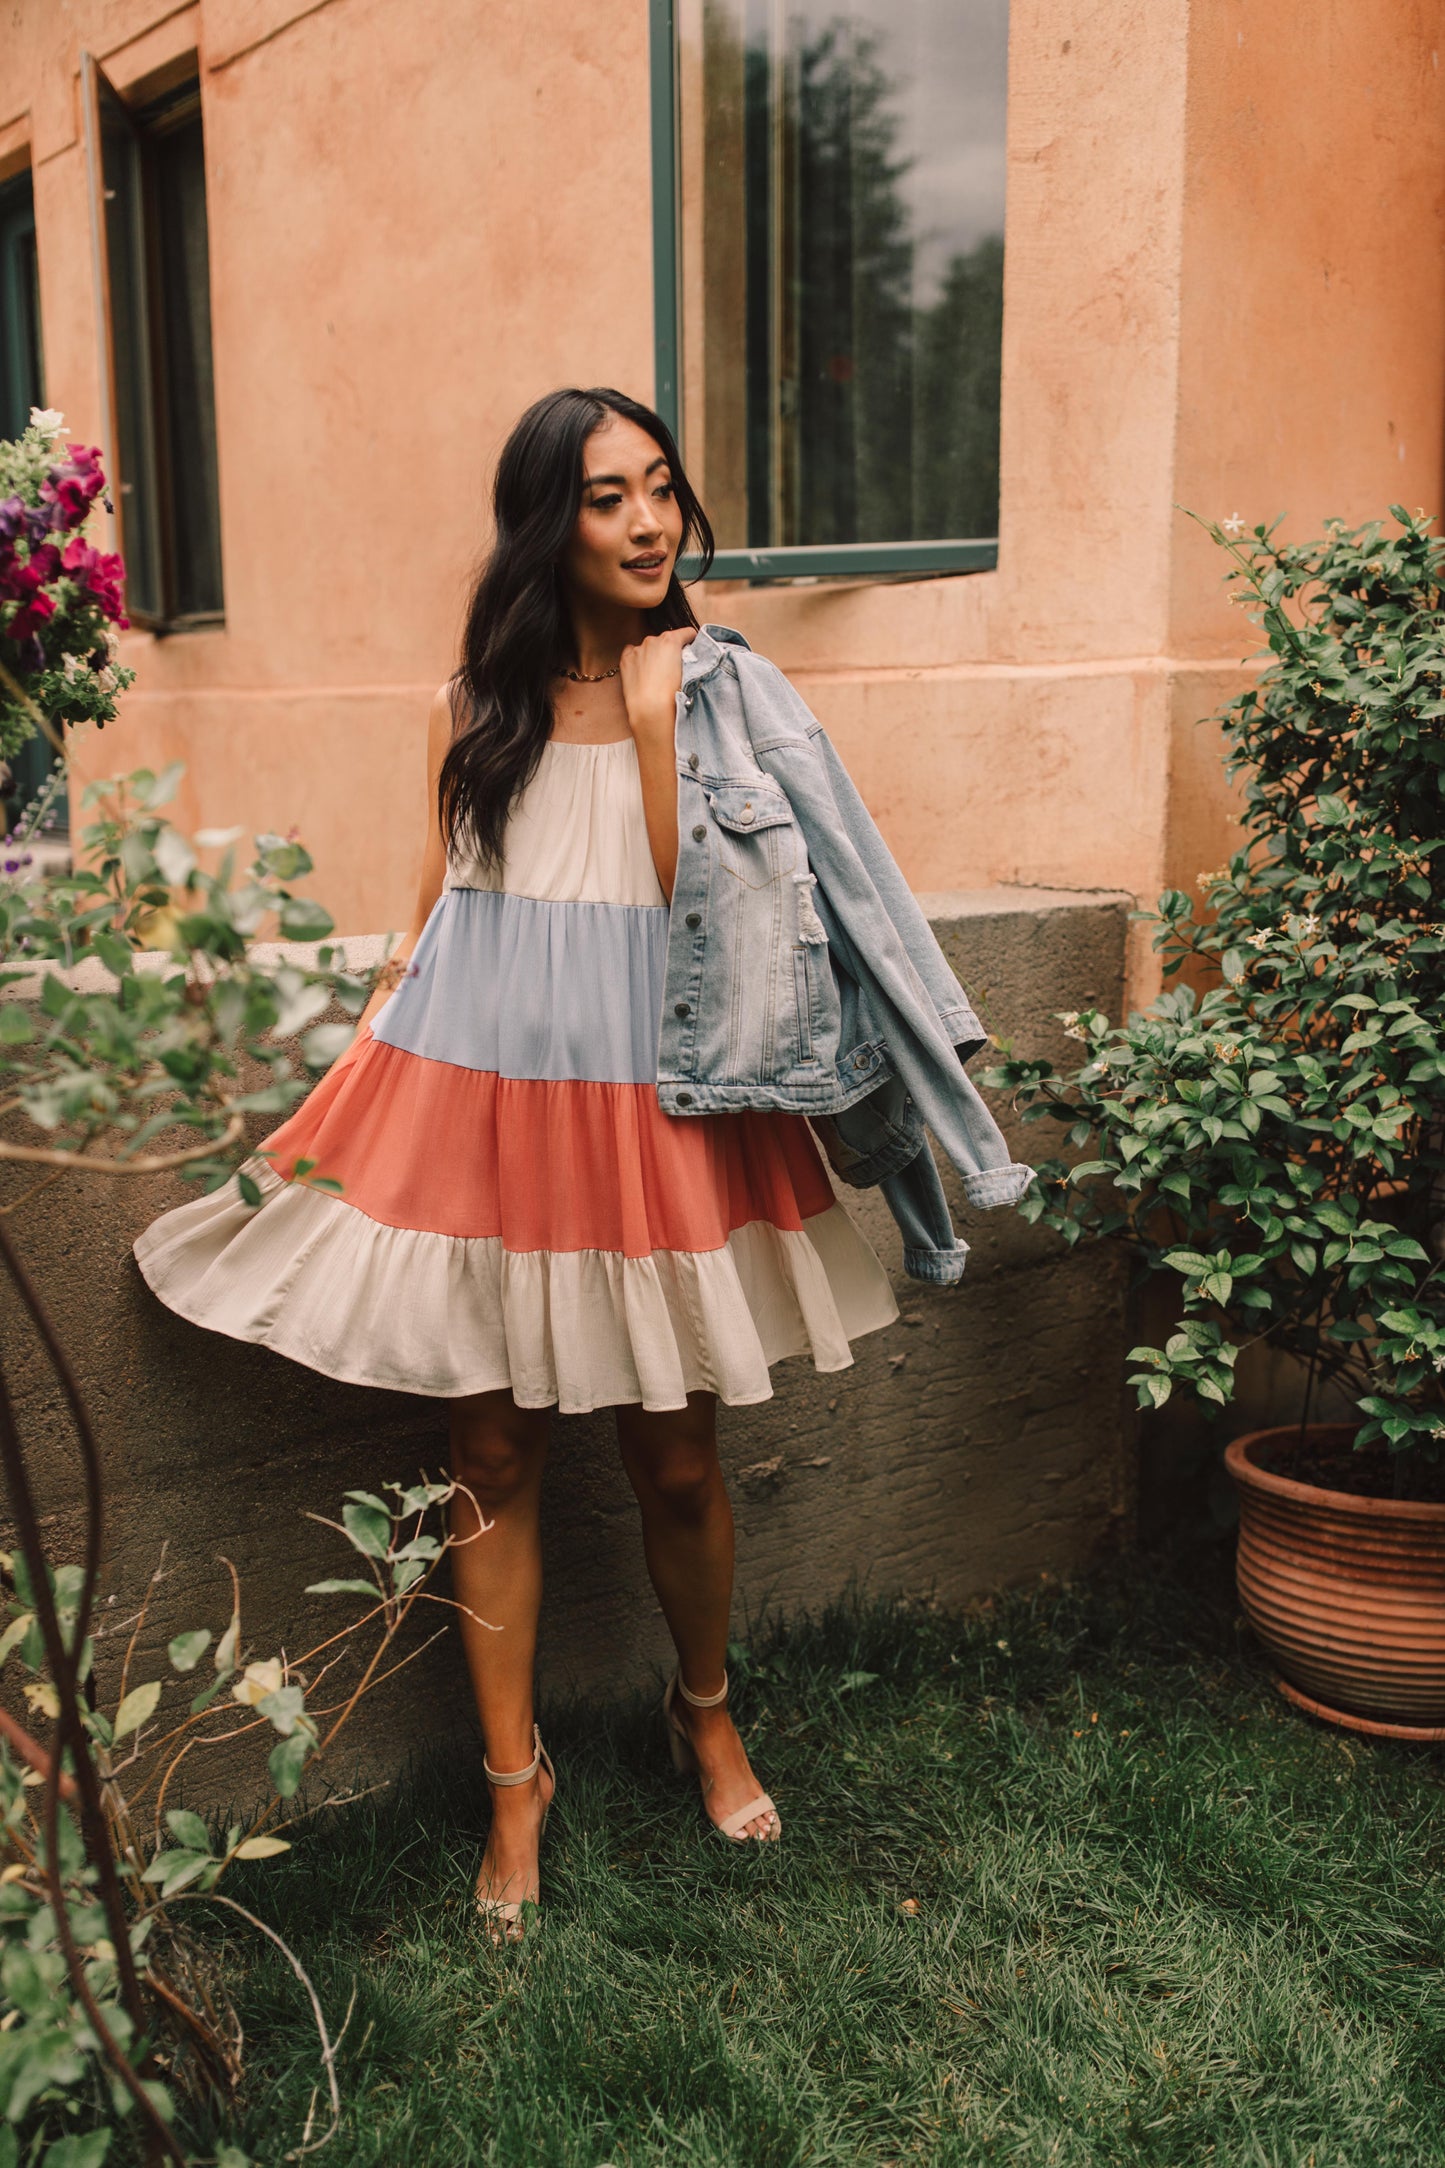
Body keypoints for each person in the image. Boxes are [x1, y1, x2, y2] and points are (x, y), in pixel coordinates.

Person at [135, 386, 1027, 1944]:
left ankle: (704, 1709)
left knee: (673, 1452)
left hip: (653, 1106)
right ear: (549, 520)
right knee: (487, 1459)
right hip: (479, 1110)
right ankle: (510, 1782)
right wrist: (343, 1094)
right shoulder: (462, 713)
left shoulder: (721, 694)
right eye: (610, 495)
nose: (648, 521)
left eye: (663, 490)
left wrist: (669, 716)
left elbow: (711, 910)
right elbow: (428, 929)